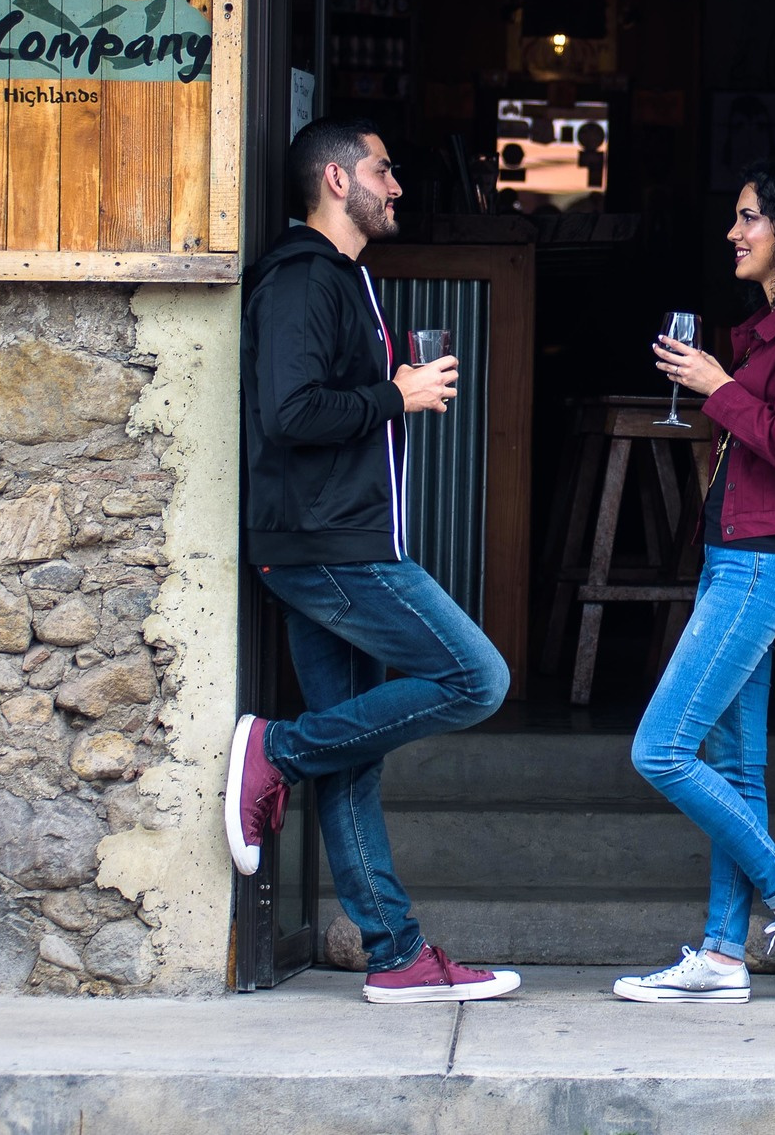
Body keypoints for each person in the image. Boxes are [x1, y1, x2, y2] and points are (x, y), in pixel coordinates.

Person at [224, 116, 519, 1005]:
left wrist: (392, 396)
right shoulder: (300, 278)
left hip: (339, 539)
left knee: (357, 756)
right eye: (383, 170)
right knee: (478, 677)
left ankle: (394, 952)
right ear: (335, 180)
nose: (397, 185)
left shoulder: (344, 277)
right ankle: (278, 750)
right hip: (327, 547)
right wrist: (395, 393)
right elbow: (292, 412)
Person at [613, 161, 775, 1005]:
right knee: (735, 764)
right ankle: (723, 953)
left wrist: (717, 388)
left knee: (661, 747)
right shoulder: (772, 328)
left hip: (768, 563)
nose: (734, 231)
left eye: (749, 217)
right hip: (738, 559)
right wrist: (720, 391)